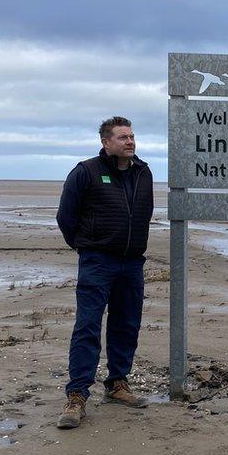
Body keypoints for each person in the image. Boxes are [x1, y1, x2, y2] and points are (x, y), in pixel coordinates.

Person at [55, 116, 154, 429]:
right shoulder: (86, 172)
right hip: (98, 261)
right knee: (87, 326)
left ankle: (117, 384)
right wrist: (87, 246)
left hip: (132, 262)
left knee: (126, 325)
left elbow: (145, 212)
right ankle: (77, 396)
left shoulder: (143, 172)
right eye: (123, 137)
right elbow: (65, 217)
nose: (130, 142)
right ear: (106, 142)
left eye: (132, 136)